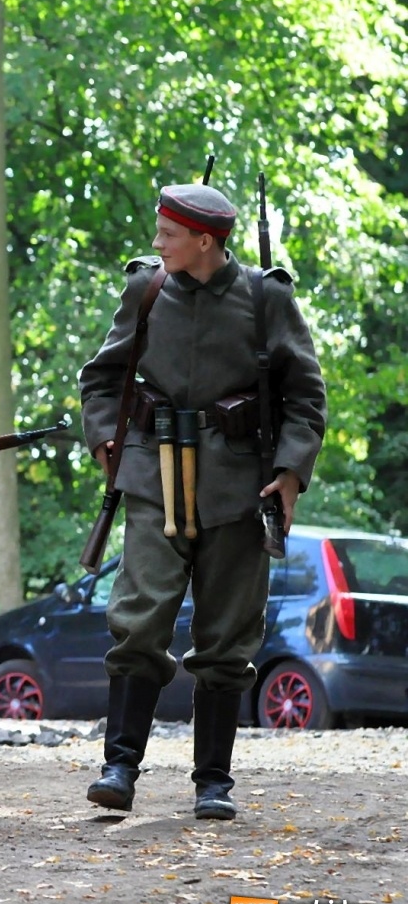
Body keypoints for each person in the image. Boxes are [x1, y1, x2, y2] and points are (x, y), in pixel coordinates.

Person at [78, 181, 325, 820]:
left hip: (241, 486)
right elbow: (102, 378)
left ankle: (213, 780)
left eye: (168, 235)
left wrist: (290, 474)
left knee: (228, 635)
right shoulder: (146, 289)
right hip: (151, 475)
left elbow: (305, 396)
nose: (157, 243)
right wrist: (106, 439)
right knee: (138, 617)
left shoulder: (266, 298)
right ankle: (119, 767)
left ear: (205, 241)